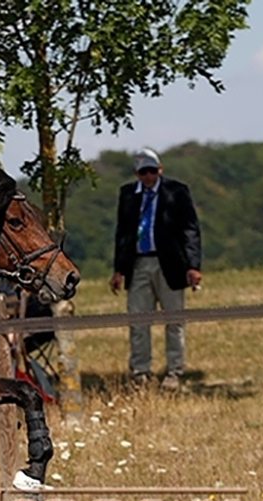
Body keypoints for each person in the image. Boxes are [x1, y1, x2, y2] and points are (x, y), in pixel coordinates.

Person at [109, 148, 202, 391]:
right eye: (143, 172)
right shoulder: (128, 194)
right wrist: (119, 269)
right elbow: (123, 233)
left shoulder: (176, 191)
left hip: (169, 264)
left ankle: (174, 370)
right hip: (138, 263)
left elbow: (190, 229)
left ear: (160, 170)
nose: (148, 176)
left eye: (152, 170)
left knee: (174, 320)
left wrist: (193, 266)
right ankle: (140, 372)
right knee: (138, 320)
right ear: (136, 173)